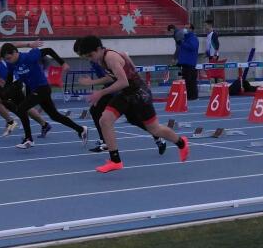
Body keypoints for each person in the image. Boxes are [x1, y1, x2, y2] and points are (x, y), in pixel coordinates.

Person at [74, 35, 189, 173]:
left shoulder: (110, 57)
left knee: (155, 129)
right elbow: (113, 75)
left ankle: (181, 143)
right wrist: (92, 83)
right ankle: (115, 161)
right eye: (87, 56)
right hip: (126, 94)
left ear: (99, 49)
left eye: (90, 55)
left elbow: (123, 81)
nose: (90, 59)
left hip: (140, 94)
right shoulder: (102, 59)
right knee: (104, 120)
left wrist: (101, 93)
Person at [76, 43, 168, 156]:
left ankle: (157, 136)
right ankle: (105, 141)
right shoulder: (97, 60)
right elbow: (111, 76)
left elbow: (114, 77)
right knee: (96, 111)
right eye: (84, 56)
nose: (87, 58)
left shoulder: (107, 57)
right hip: (116, 89)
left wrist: (97, 88)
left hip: (123, 90)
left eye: (86, 55)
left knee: (134, 119)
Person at [0, 42, 88, 149]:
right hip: (34, 89)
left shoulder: (29, 56)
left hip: (42, 88)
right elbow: (9, 78)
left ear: (15, 52)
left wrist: (62, 63)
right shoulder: (11, 63)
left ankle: (29, 139)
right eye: (6, 59)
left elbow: (48, 50)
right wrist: (4, 89)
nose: (8, 61)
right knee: (54, 116)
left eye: (9, 58)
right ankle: (81, 129)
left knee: (21, 109)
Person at [176, 23, 200, 100]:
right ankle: (189, 96)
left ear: (191, 29)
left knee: (191, 81)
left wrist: (182, 43)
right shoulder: (185, 38)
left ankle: (193, 96)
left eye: (187, 28)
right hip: (185, 63)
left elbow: (193, 47)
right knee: (187, 81)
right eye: (184, 27)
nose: (185, 29)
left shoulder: (193, 38)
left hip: (190, 63)